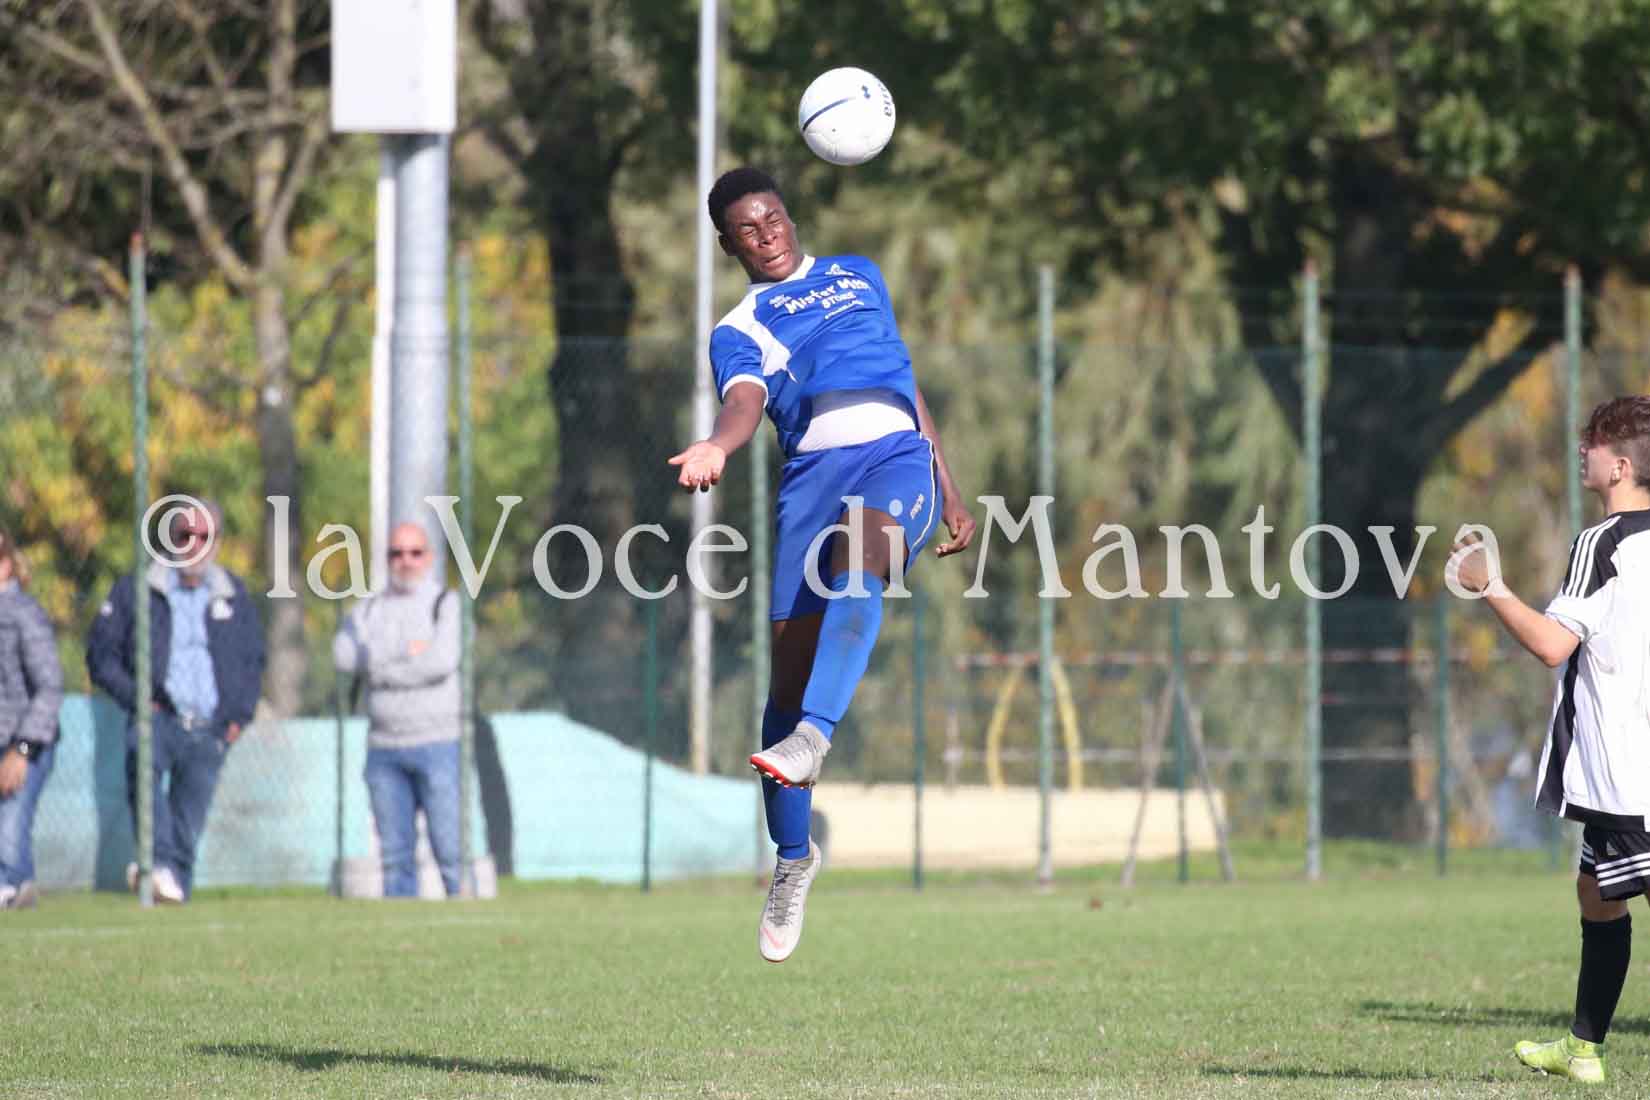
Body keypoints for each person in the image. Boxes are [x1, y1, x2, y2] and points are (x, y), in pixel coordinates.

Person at [669, 167, 977, 963]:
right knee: (785, 687)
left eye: (772, 218)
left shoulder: (860, 274)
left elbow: (905, 385)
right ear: (728, 245)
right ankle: (793, 860)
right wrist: (717, 445)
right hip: (811, 481)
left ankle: (817, 737)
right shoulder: (739, 327)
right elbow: (743, 403)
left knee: (860, 562)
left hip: (894, 459)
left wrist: (948, 486)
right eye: (747, 229)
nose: (765, 234)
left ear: (790, 217)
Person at [1453, 395, 1650, 1084]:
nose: (1581, 451)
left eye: (1592, 442)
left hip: (1627, 771)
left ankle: (1584, 1047)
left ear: (1619, 466)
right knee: (1596, 892)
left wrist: (1490, 586)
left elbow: (1550, 644)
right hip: (1630, 769)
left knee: (1611, 890)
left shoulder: (1604, 544)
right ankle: (1583, 1048)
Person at [86, 499, 264, 903]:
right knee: (144, 782)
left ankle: (172, 885)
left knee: (189, 822)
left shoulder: (233, 594)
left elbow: (254, 660)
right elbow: (101, 656)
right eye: (185, 535)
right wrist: (137, 697)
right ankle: (159, 866)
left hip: (211, 727)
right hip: (156, 717)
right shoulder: (138, 590)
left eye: (204, 537)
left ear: (217, 542)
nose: (194, 545)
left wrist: (238, 716)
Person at [332, 521, 463, 898]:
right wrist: (409, 652)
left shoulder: (444, 604)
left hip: (438, 742)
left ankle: (464, 909)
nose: (406, 561)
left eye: (414, 553)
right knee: (394, 857)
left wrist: (379, 665)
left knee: (450, 850)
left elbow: (441, 662)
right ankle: (400, 927)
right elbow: (343, 655)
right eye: (397, 553)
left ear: (429, 558)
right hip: (384, 748)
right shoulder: (370, 608)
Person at [0, 530, 63, 910]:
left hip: (24, 742)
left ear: (6, 564)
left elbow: (49, 687)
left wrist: (21, 750)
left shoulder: (23, 614)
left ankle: (11, 885)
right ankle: (19, 889)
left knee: (8, 833)